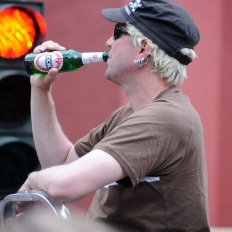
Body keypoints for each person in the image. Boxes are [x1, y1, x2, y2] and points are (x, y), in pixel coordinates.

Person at [17, 0, 210, 231]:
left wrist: (33, 181)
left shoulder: (165, 119)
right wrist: (40, 90)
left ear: (143, 48)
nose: (108, 41)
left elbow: (63, 185)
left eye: (118, 32)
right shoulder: (131, 114)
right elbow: (61, 163)